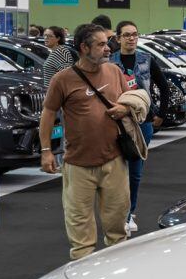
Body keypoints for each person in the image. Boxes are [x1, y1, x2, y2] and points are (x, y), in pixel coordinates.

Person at [39, 24, 133, 260]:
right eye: (101, 44)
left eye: (107, 43)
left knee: (118, 230)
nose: (107, 49)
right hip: (78, 165)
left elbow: (130, 100)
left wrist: (125, 108)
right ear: (84, 47)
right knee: (80, 235)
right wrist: (46, 151)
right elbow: (48, 114)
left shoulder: (114, 72)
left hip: (114, 161)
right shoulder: (63, 79)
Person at [109, 20, 170, 235]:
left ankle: (129, 211)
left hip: (142, 122)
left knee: (135, 172)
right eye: (126, 35)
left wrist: (161, 114)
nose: (131, 38)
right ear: (118, 38)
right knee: (118, 171)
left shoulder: (146, 59)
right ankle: (120, 213)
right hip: (117, 122)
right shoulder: (110, 63)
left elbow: (164, 87)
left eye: (134, 34)